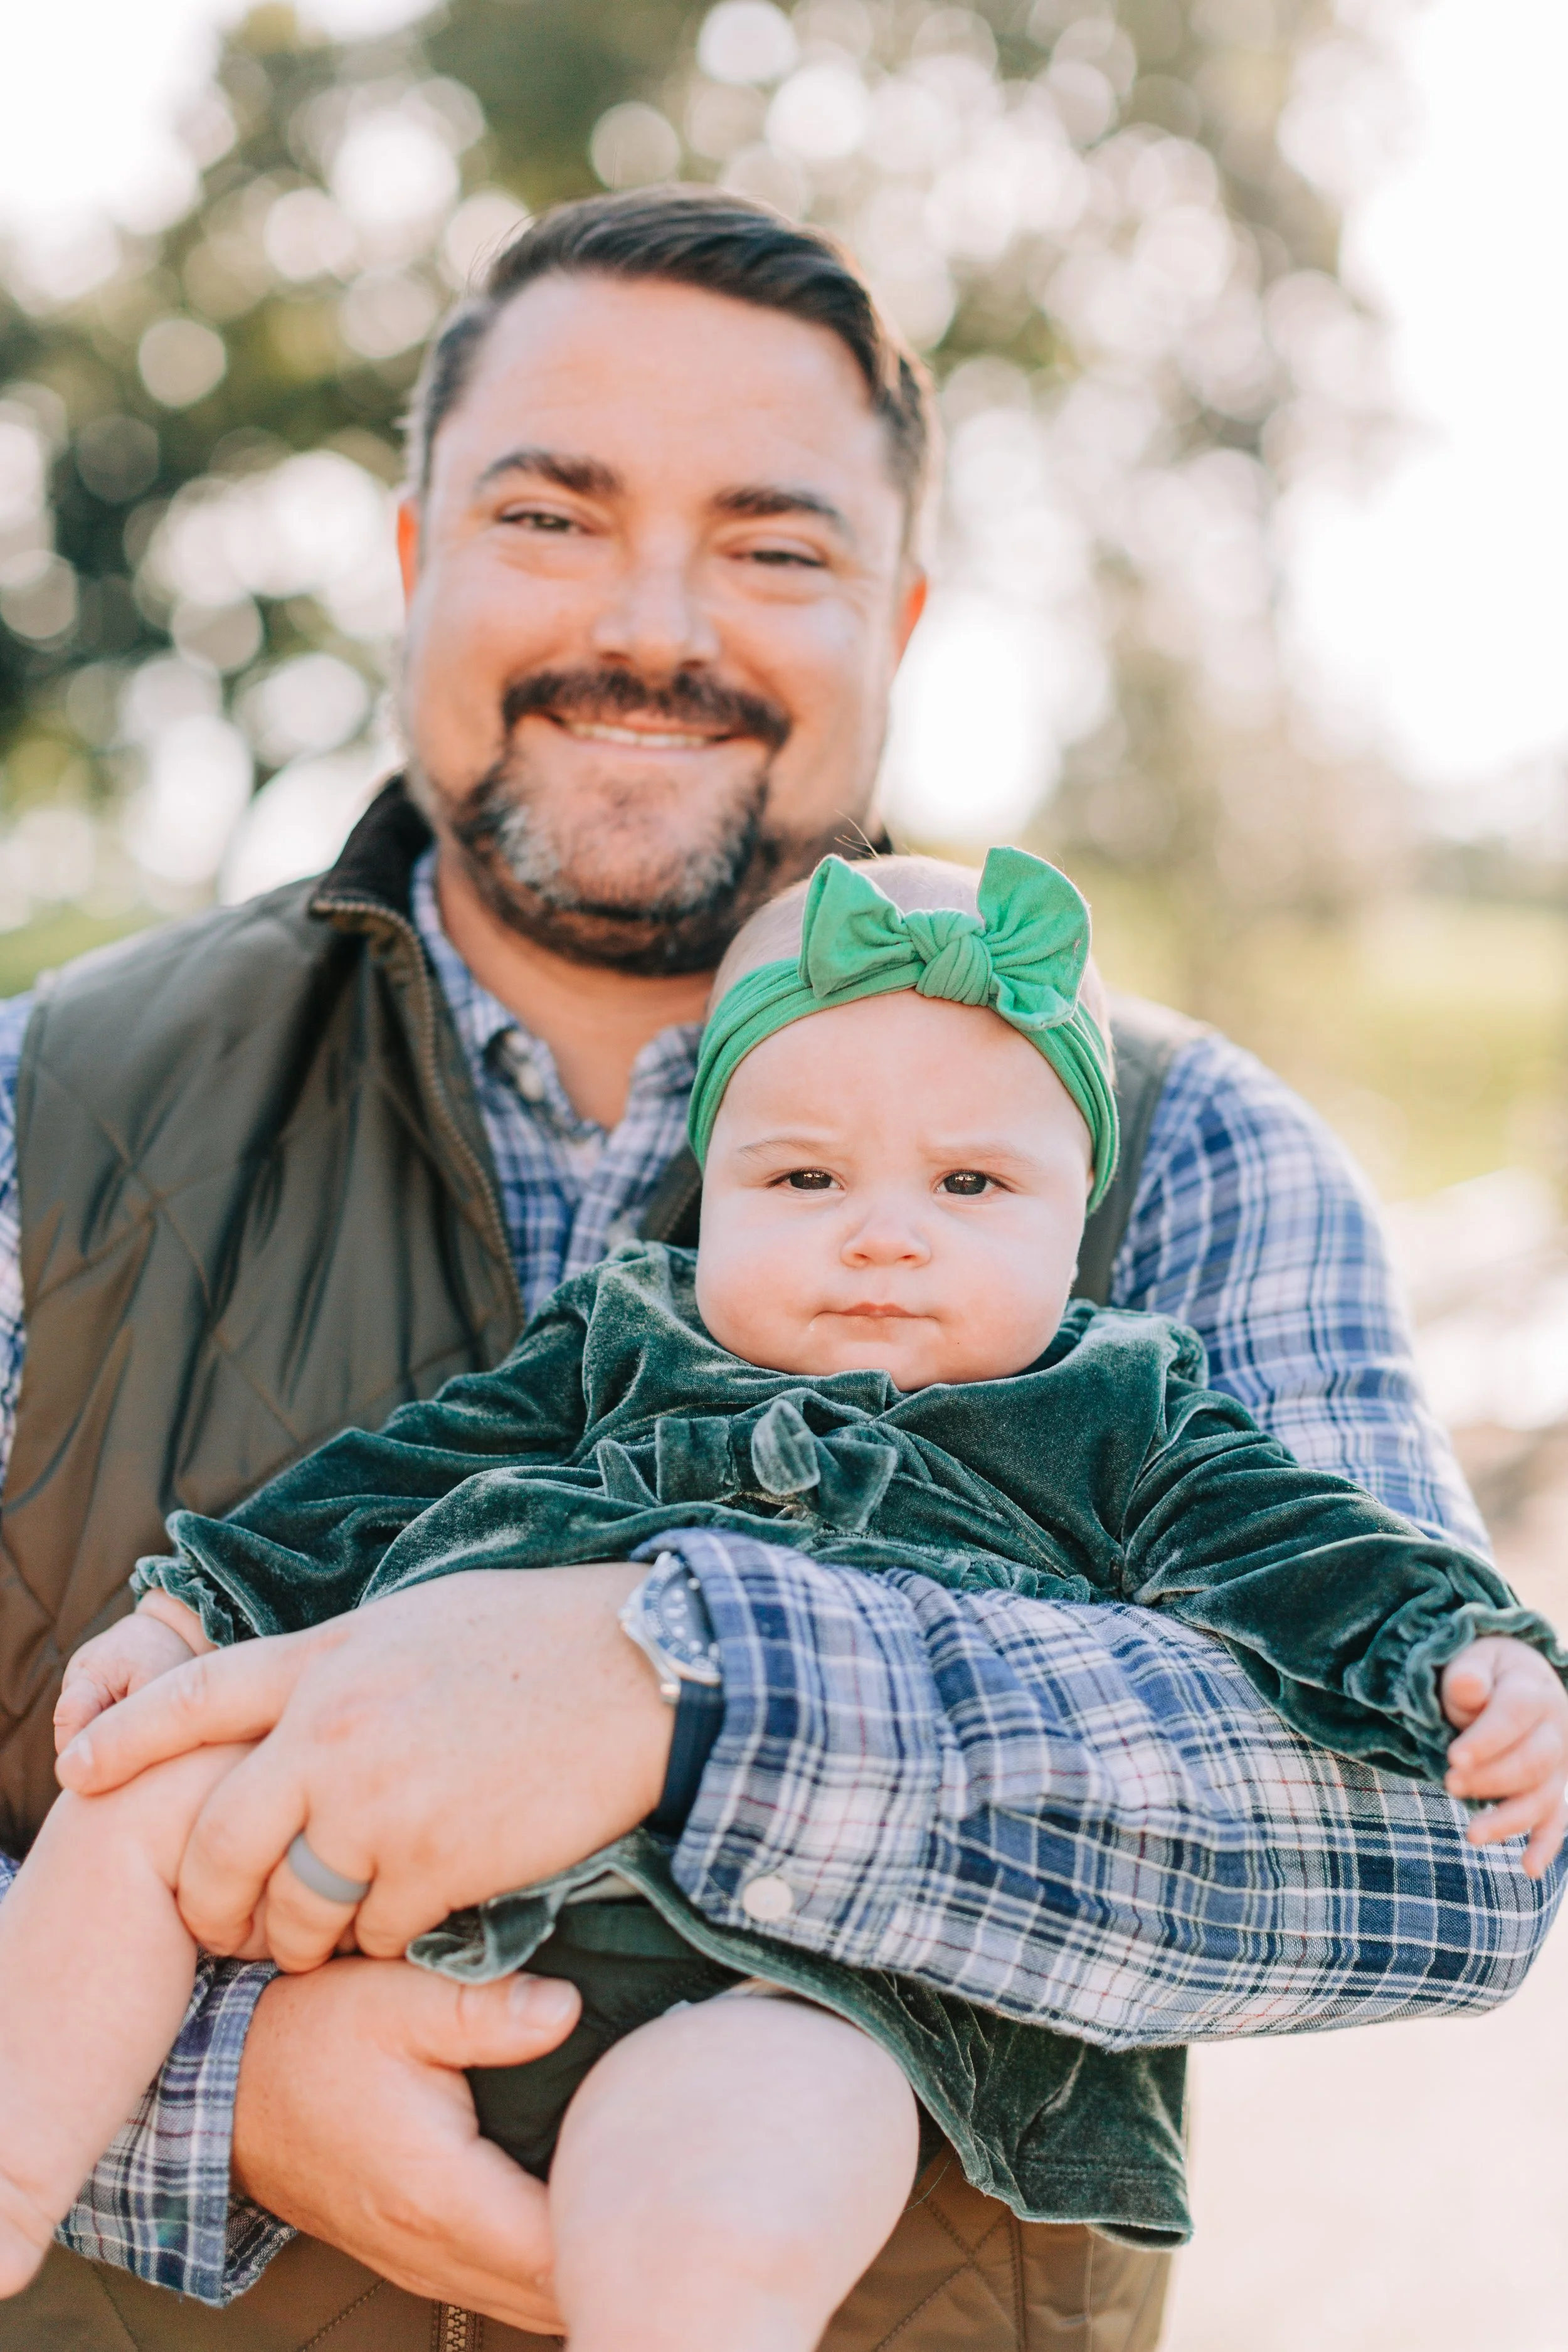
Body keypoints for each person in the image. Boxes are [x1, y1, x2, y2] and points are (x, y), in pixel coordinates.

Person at [0, 191, 1557, 2351]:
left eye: (772, 545)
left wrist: (677, 1691)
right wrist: (210, 2099)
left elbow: (1446, 1853)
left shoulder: (1186, 1147)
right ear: (414, 553)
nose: (655, 625)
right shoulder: (49, 1109)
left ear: (897, 615)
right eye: (551, 514)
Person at [5, 850, 1565, 2351]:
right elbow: (381, 1481)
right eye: (804, 1176)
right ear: (715, 1189)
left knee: (747, 2169)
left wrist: (1450, 1648)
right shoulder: (619, 1339)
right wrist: (196, 1612)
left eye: (969, 1182)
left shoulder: (1122, 1417)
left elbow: (1296, 1549)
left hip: (801, 1978)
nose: (881, 1231)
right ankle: (15, 2162)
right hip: (379, 1879)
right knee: (138, 1787)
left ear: (1078, 1207)